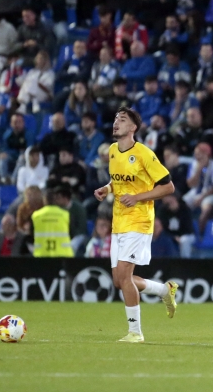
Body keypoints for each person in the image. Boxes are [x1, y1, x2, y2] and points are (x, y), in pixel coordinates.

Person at [92, 107, 179, 342]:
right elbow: (118, 180)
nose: (116, 123)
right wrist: (107, 188)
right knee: (119, 281)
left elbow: (168, 187)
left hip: (139, 220)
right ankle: (164, 290)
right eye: (115, 119)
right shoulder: (112, 151)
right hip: (118, 221)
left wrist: (138, 197)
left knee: (125, 276)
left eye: (122, 119)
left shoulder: (144, 154)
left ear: (133, 128)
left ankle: (135, 332)